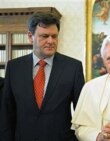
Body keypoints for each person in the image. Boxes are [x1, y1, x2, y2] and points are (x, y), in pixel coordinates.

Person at [0, 12, 85, 141]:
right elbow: (6, 113)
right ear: (30, 36)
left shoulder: (73, 68)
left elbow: (82, 114)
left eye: (54, 36)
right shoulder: (14, 67)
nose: (51, 41)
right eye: (44, 36)